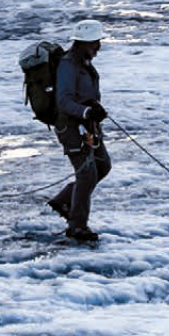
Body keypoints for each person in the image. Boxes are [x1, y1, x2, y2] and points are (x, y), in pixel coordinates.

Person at [46, 19, 109, 241]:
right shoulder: (68, 65)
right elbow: (64, 101)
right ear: (82, 43)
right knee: (87, 173)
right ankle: (77, 226)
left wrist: (94, 109)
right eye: (95, 42)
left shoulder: (84, 62)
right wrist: (85, 113)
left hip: (89, 126)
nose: (98, 47)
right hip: (72, 128)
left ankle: (65, 200)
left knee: (103, 166)